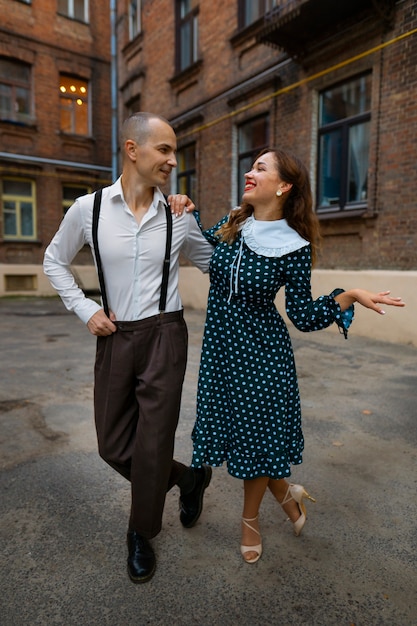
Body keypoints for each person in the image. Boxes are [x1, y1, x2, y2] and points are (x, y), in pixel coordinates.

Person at [190, 147, 405, 564]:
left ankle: (249, 520)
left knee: (255, 441)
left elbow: (302, 315)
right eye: (251, 166)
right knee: (248, 440)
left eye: (260, 168)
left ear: (284, 186)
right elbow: (202, 251)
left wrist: (349, 296)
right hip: (221, 353)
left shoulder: (295, 245)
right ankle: (287, 493)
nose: (249, 173)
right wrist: (184, 211)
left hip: (263, 357)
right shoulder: (234, 223)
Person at [43, 112, 214, 583]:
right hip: (116, 334)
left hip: (165, 334)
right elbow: (54, 261)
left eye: (175, 152)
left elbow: (215, 263)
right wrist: (86, 309)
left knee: (153, 440)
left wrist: (257, 229)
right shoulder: (89, 209)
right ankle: (187, 478)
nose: (173, 162)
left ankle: (141, 533)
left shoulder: (177, 214)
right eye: (164, 150)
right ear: (132, 150)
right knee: (112, 443)